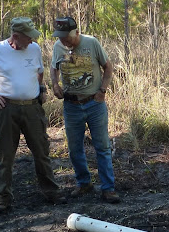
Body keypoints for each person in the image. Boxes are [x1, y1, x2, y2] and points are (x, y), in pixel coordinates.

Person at [0, 17, 64, 213]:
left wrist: (41, 88)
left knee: (42, 151)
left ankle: (51, 192)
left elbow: (39, 71)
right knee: (5, 155)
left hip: (32, 108)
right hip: (6, 109)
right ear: (16, 36)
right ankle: (4, 198)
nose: (32, 40)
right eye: (29, 37)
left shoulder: (34, 49)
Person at [50, 16, 120, 203]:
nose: (64, 40)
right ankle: (84, 183)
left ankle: (108, 188)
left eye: (67, 36)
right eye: (60, 37)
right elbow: (54, 68)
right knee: (74, 148)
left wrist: (102, 90)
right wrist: (55, 84)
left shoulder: (91, 43)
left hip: (94, 104)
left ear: (77, 32)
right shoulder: (58, 47)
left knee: (102, 147)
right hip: (71, 105)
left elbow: (108, 67)